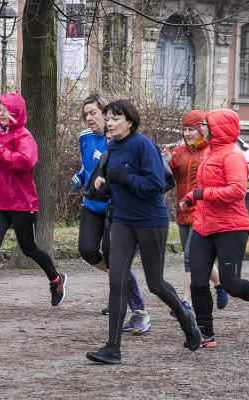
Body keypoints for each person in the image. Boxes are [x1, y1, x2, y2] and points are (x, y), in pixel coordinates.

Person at [86, 99, 201, 365]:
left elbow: (155, 183)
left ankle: (187, 321)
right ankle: (113, 348)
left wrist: (120, 177)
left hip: (151, 220)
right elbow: (108, 184)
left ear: (130, 121)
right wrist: (102, 184)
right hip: (123, 221)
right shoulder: (111, 148)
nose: (110, 122)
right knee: (118, 281)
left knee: (155, 284)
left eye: (115, 118)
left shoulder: (143, 145)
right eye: (108, 117)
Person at [0, 92, 67, 311]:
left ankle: (56, 280)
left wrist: (1, 151)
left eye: (5, 110)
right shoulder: (0, 136)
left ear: (16, 112)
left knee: (29, 248)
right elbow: (6, 165)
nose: (1, 114)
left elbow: (26, 162)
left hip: (21, 202)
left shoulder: (25, 137)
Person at [179, 108, 249, 348]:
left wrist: (201, 193)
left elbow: (237, 191)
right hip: (203, 225)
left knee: (231, 284)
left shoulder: (233, 156)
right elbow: (204, 186)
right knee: (199, 281)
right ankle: (205, 333)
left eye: (207, 125)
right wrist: (192, 197)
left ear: (219, 128)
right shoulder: (210, 152)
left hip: (231, 228)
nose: (203, 130)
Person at [72, 94, 150, 334]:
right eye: (85, 114)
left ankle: (137, 309)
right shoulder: (84, 138)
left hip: (114, 206)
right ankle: (119, 283)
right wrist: (80, 177)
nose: (89, 118)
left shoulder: (117, 139)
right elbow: (89, 167)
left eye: (93, 113)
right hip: (92, 203)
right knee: (86, 250)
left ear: (106, 114)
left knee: (114, 257)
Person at [163, 110, 229, 320]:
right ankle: (220, 285)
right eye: (185, 129)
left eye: (192, 129)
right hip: (183, 211)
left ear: (203, 129)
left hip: (203, 210)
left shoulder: (211, 152)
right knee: (194, 257)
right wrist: (162, 160)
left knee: (191, 257)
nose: (188, 133)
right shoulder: (178, 152)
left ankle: (186, 302)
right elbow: (166, 177)